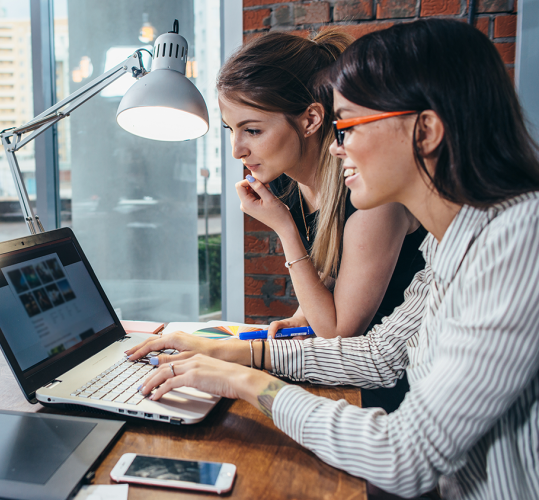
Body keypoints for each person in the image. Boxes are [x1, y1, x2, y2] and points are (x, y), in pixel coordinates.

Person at [127, 19, 539, 499]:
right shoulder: (451, 243)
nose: (337, 146)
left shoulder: (517, 241)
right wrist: (231, 354)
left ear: (424, 131)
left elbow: (405, 456)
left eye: (350, 126)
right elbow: (380, 355)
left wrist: (246, 381)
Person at [218, 29, 426, 412]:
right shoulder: (287, 182)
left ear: (311, 119)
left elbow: (337, 331)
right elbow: (330, 284)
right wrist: (301, 319)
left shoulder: (372, 195)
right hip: (345, 374)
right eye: (231, 130)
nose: (237, 150)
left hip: (390, 393)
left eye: (252, 130)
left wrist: (283, 228)